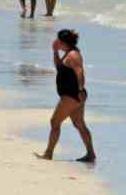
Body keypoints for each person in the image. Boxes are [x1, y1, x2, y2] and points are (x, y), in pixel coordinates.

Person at [36, 29, 95, 162]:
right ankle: (90, 154)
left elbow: (80, 72)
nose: (56, 42)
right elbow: (58, 66)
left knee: (54, 121)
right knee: (79, 124)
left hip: (72, 95)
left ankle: (48, 153)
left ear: (63, 42)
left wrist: (79, 90)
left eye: (58, 41)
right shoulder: (68, 53)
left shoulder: (73, 55)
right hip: (74, 95)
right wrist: (55, 51)